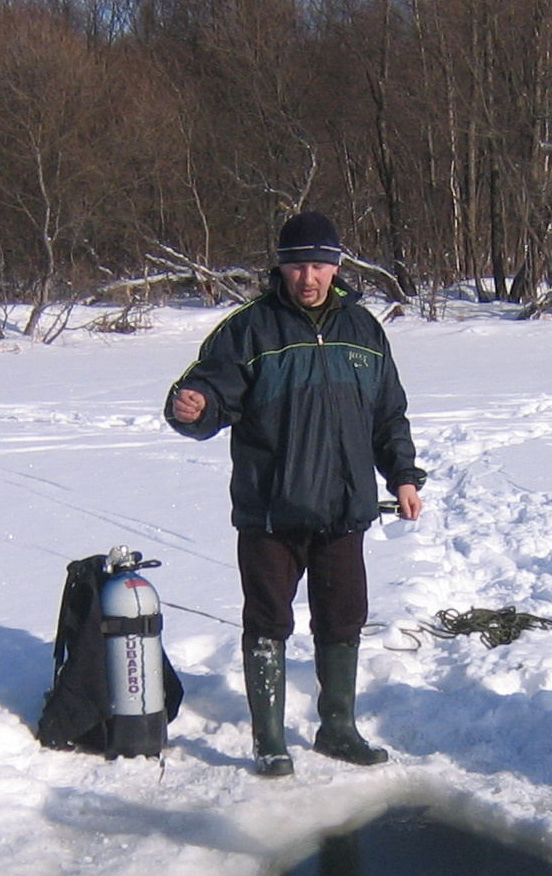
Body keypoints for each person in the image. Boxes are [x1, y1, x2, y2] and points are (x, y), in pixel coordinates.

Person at [165, 211, 426, 776]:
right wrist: (195, 408)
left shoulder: (365, 330)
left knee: (342, 621)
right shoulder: (249, 329)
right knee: (268, 622)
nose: (308, 277)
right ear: (280, 268)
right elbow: (209, 391)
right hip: (271, 511)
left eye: (319, 265)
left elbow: (388, 414)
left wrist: (402, 474)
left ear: (336, 266)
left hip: (343, 508)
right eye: (297, 265)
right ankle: (269, 739)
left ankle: (337, 728)